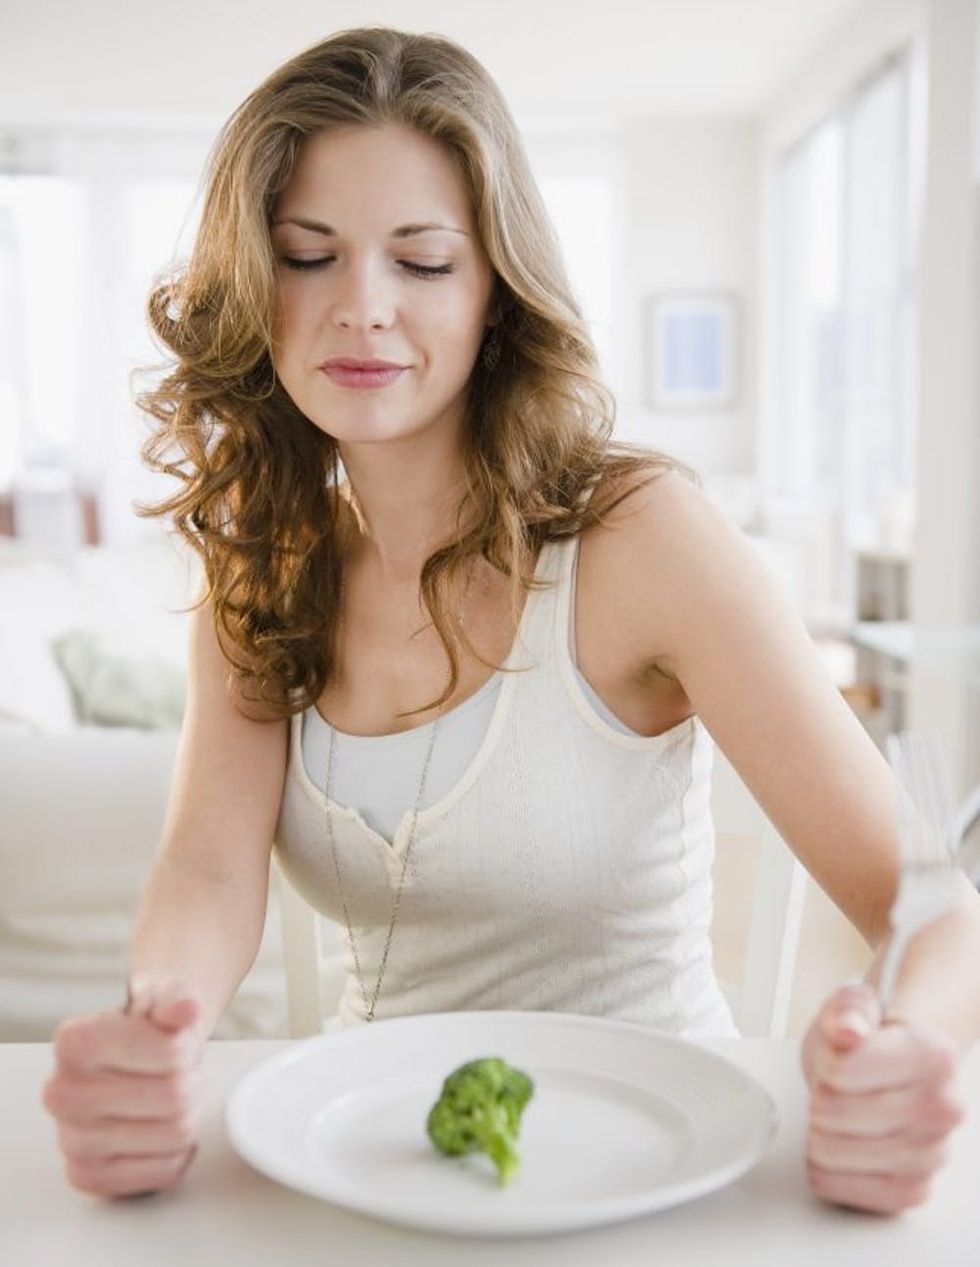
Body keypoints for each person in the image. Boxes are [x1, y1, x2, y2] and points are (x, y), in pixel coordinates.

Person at [42, 26, 979, 1213]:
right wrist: (160, 1026)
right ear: (251, 280)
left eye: (422, 261)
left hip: (659, 1174)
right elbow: (207, 866)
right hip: (372, 1172)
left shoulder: (642, 537)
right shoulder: (264, 562)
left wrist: (903, 1047)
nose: (362, 310)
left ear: (494, 291)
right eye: (305, 255)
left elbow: (933, 911)